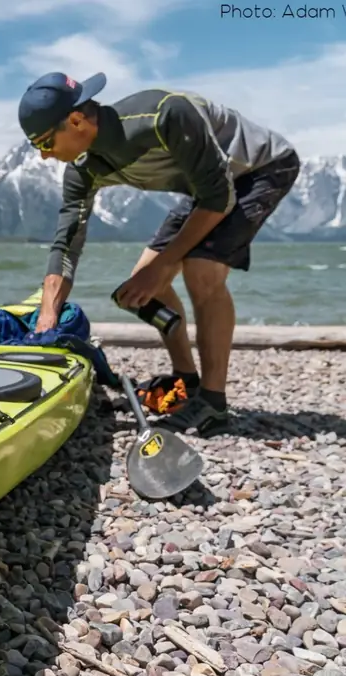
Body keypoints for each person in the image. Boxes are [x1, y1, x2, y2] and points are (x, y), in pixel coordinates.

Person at [17, 71, 300, 437]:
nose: (42, 156)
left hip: (261, 169)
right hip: (206, 187)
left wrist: (166, 265)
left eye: (44, 142)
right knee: (141, 285)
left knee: (201, 270)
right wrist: (48, 314)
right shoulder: (83, 170)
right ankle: (188, 382)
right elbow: (67, 242)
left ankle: (213, 403)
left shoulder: (167, 115)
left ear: (76, 121)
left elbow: (220, 198)